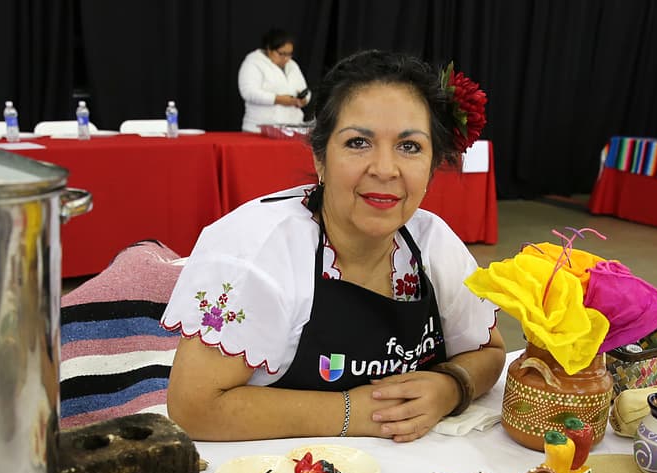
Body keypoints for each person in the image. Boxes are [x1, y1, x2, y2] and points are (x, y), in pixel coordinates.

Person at [163, 50, 505, 442]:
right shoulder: (258, 251)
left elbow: (490, 352)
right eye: (358, 142)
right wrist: (353, 412)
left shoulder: (433, 243)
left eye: (410, 146)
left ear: (431, 165)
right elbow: (193, 407)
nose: (385, 169)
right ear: (320, 157)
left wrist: (452, 386)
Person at [238, 28, 311, 132]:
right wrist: (278, 99)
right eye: (282, 54)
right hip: (259, 130)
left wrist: (303, 100)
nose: (286, 58)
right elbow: (249, 93)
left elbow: (305, 91)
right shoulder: (253, 62)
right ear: (269, 49)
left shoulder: (293, 65)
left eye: (289, 54)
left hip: (292, 129)